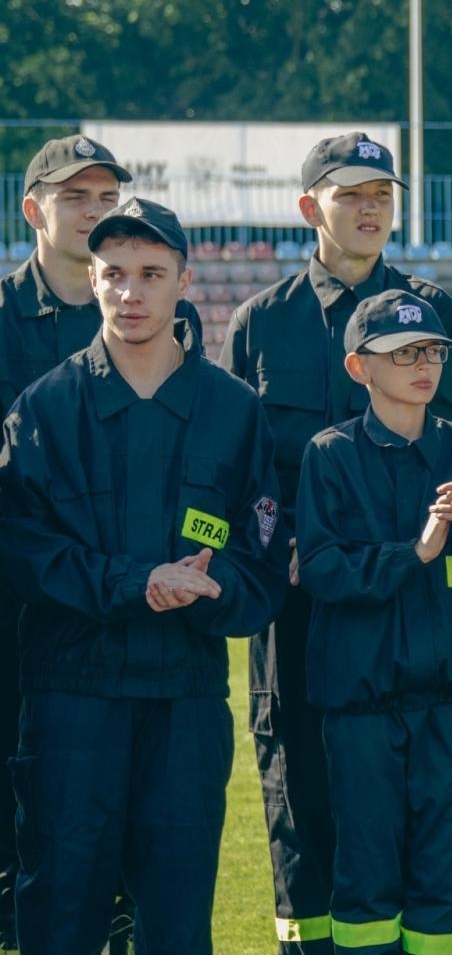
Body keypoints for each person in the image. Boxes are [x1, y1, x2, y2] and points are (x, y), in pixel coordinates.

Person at [0, 197, 287, 954]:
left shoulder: (233, 412)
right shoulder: (44, 409)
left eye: (151, 275)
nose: (132, 293)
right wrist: (136, 581)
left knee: (176, 919)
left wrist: (213, 584)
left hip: (185, 704)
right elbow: (23, 551)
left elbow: (263, 559)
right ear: (91, 280)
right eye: (114, 274)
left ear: (184, 280)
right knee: (61, 911)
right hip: (70, 700)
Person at [220, 131, 452, 954]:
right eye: (350, 193)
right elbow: (237, 469)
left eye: (382, 194)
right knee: (299, 786)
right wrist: (284, 542)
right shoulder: (264, 322)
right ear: (309, 208)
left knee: (410, 812)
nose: (371, 209)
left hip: (408, 609)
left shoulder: (431, 314)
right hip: (299, 602)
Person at [0, 135, 206, 953]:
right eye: (73, 194)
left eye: (104, 194)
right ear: (34, 209)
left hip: (132, 616)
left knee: (140, 853)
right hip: (24, 606)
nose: (91, 207)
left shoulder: (160, 313)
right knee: (41, 830)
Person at [296, 289, 452, 955]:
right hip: (361, 713)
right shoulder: (330, 454)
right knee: (367, 890)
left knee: (442, 889)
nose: (423, 365)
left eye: (431, 351)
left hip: (449, 713)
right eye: (403, 354)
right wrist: (416, 553)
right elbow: (320, 568)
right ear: (359, 368)